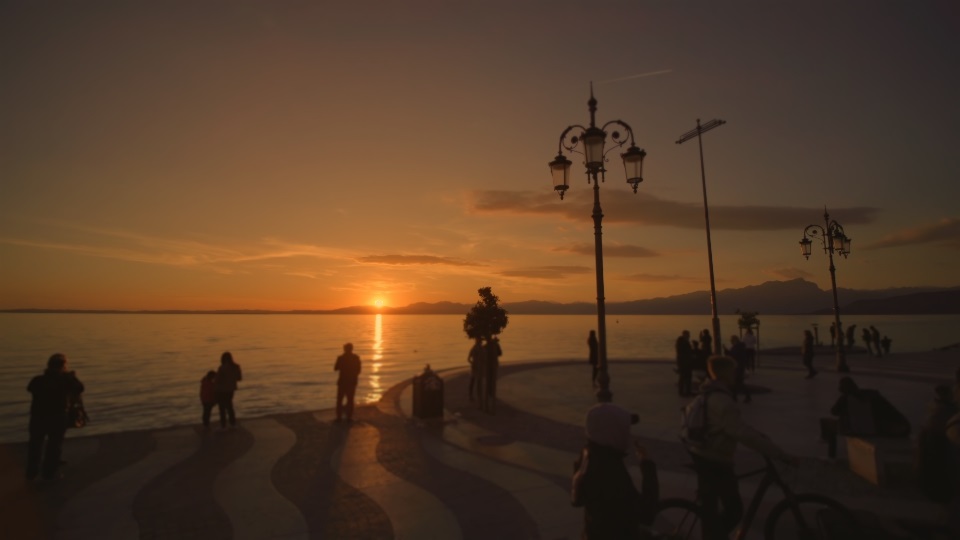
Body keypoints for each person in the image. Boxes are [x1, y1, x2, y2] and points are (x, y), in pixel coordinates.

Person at [685, 355, 796, 540]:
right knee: (734, 511)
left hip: (701, 453)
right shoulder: (723, 401)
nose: (737, 374)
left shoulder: (707, 393)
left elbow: (736, 426)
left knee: (709, 509)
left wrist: (759, 436)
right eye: (734, 371)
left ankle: (711, 534)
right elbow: (741, 433)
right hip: (714, 459)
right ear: (726, 373)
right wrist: (780, 454)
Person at [574, 389, 658, 539]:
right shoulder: (610, 471)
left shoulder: (588, 454)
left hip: (593, 532)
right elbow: (646, 514)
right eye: (624, 429)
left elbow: (577, 499)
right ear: (612, 431)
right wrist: (647, 465)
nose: (627, 433)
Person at [819, 376, 911, 459]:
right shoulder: (871, 394)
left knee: (827, 424)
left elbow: (834, 412)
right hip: (873, 427)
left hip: (852, 428)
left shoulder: (845, 398)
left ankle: (830, 452)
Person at [26, 353, 85, 481]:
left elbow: (30, 389)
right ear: (63, 366)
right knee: (54, 445)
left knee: (35, 445)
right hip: (57, 418)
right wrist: (71, 377)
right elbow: (80, 388)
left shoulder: (37, 380)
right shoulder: (65, 381)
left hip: (37, 417)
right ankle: (48, 473)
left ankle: (32, 472)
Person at [334, 342, 362, 422]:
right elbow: (358, 370)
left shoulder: (340, 358)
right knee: (350, 400)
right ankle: (349, 417)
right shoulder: (356, 358)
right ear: (352, 349)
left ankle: (339, 417)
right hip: (352, 382)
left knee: (339, 400)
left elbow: (335, 368)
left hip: (342, 381)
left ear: (344, 349)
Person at [215, 351, 243, 429]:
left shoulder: (222, 368)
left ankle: (223, 425)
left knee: (222, 408)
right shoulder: (236, 367)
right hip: (231, 389)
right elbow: (239, 378)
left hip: (221, 390)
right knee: (230, 406)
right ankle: (232, 423)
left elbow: (218, 380)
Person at [725, 336, 751, 403]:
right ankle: (734, 396)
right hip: (739, 367)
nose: (731, 342)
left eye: (731, 340)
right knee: (736, 382)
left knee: (738, 382)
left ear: (735, 340)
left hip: (738, 367)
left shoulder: (737, 347)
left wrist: (726, 351)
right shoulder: (741, 347)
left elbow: (733, 355)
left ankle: (746, 396)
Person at [485, 337, 503, 413]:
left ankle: (490, 393)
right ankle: (490, 393)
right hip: (492, 365)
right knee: (491, 381)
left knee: (490, 381)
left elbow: (500, 353)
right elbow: (500, 353)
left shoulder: (487, 346)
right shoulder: (494, 345)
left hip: (491, 365)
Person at [467, 337, 486, 403]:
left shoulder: (482, 348)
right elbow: (469, 358)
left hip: (480, 367)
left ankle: (477, 396)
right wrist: (473, 363)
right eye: (480, 341)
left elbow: (484, 358)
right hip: (475, 367)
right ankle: (471, 395)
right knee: (473, 381)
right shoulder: (474, 348)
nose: (481, 342)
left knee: (477, 382)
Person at [676, 330, 694, 397]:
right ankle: (682, 392)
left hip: (687, 362)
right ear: (684, 335)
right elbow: (683, 352)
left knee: (688, 377)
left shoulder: (685, 342)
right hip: (683, 362)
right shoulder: (682, 342)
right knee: (683, 377)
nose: (689, 336)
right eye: (688, 335)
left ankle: (688, 391)